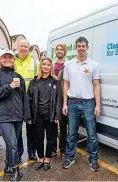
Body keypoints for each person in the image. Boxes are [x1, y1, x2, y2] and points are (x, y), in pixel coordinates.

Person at [0, 50, 30, 181]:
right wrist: (9, 87)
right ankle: (16, 171)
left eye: (10, 57)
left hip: (17, 116)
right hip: (2, 116)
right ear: (1, 60)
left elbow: (24, 98)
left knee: (12, 143)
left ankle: (8, 166)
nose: (7, 59)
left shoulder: (18, 76)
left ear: (13, 60)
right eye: (4, 57)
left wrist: (26, 115)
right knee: (12, 143)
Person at [62, 37, 101, 172]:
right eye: (79, 46)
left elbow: (96, 85)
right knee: (71, 133)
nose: (81, 48)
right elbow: (65, 84)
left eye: (83, 46)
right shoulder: (68, 64)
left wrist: (98, 105)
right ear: (76, 47)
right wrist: (65, 103)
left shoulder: (94, 65)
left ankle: (94, 159)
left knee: (91, 134)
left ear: (87, 48)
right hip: (72, 103)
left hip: (88, 103)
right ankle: (69, 157)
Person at [27, 57, 62, 171]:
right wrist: (29, 115)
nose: (46, 66)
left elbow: (58, 99)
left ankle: (47, 158)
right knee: (39, 137)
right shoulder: (34, 82)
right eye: (44, 64)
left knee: (51, 137)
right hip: (38, 115)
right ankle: (40, 158)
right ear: (40, 66)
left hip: (50, 114)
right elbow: (29, 99)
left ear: (51, 66)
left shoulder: (55, 81)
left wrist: (57, 115)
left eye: (48, 64)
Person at [15, 39, 38, 161]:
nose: (23, 48)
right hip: (16, 100)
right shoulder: (11, 61)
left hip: (30, 101)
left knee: (31, 129)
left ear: (28, 48)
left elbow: (39, 80)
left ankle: (31, 152)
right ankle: (18, 153)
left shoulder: (35, 62)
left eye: (25, 46)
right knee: (17, 129)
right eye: (21, 46)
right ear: (17, 47)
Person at [53, 44, 68, 158]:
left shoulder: (69, 65)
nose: (59, 51)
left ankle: (62, 148)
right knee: (52, 123)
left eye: (61, 49)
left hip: (64, 97)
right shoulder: (51, 65)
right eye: (57, 49)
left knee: (63, 125)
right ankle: (53, 148)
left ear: (64, 51)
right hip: (52, 97)